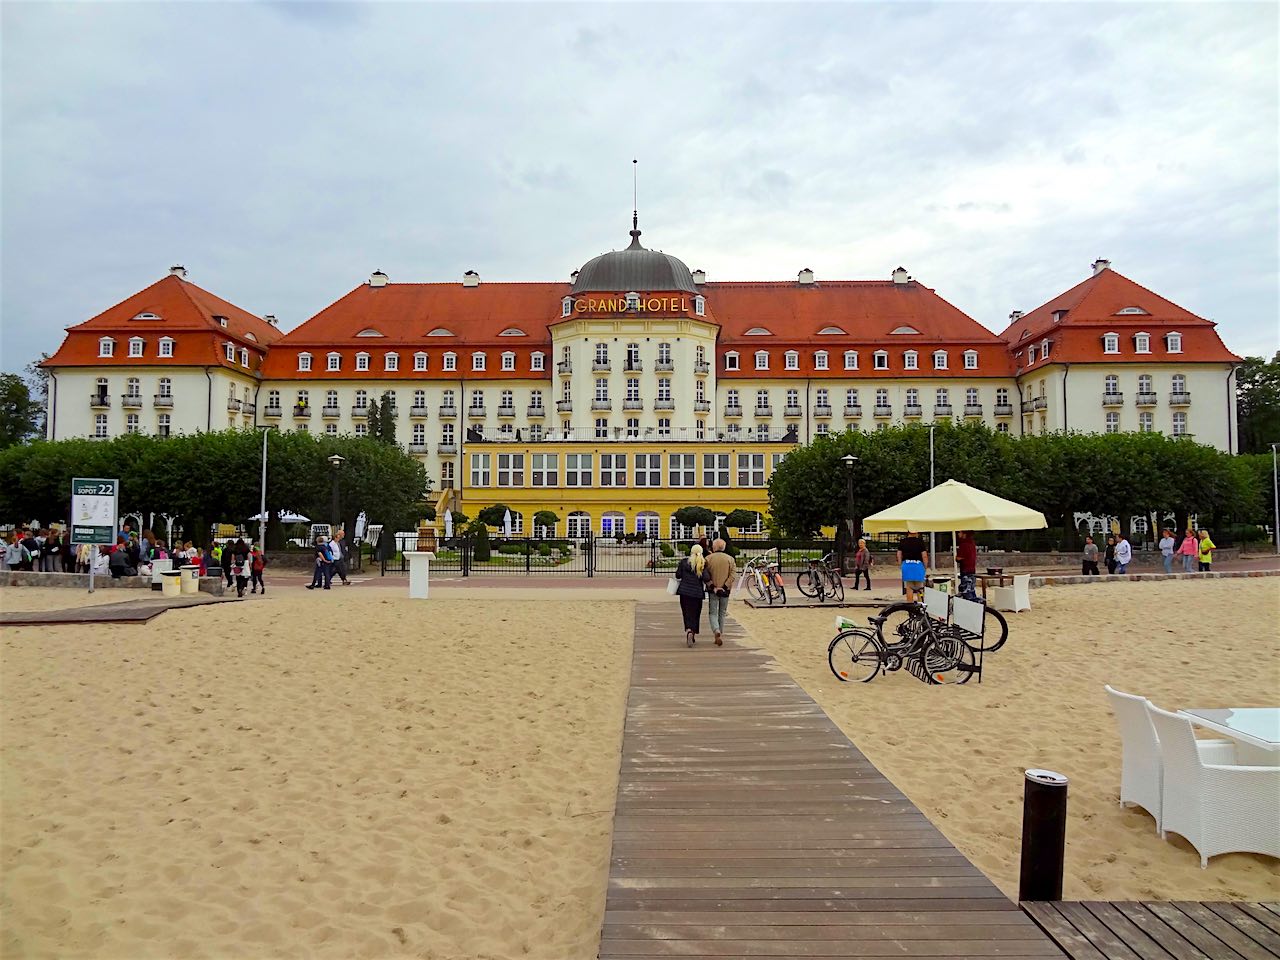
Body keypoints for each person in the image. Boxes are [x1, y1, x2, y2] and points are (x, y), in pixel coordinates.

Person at [703, 539, 737, 646]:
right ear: (724, 547)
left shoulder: (708, 559)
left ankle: (716, 630)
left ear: (714, 547)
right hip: (725, 590)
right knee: (722, 612)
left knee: (713, 612)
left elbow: (705, 575)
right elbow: (733, 575)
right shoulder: (730, 559)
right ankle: (720, 633)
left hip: (713, 590)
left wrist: (713, 585)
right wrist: (725, 586)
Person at [674, 543, 708, 647]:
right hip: (697, 593)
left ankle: (688, 629)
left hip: (684, 592)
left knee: (686, 612)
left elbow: (678, 575)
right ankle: (693, 632)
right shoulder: (702, 563)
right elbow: (706, 578)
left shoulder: (684, 562)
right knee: (696, 613)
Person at [896, 532, 928, 602]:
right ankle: (920, 606)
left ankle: (910, 607)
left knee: (909, 588)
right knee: (919, 588)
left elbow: (899, 554)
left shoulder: (903, 541)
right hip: (918, 565)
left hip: (907, 565)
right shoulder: (920, 542)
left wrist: (900, 564)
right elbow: (924, 556)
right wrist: (925, 567)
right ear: (916, 532)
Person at [955, 531, 978, 600]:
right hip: (972, 570)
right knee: (971, 589)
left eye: (959, 532)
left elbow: (958, 558)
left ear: (964, 534)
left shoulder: (963, 545)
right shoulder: (972, 543)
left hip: (965, 570)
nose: (958, 534)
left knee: (966, 592)